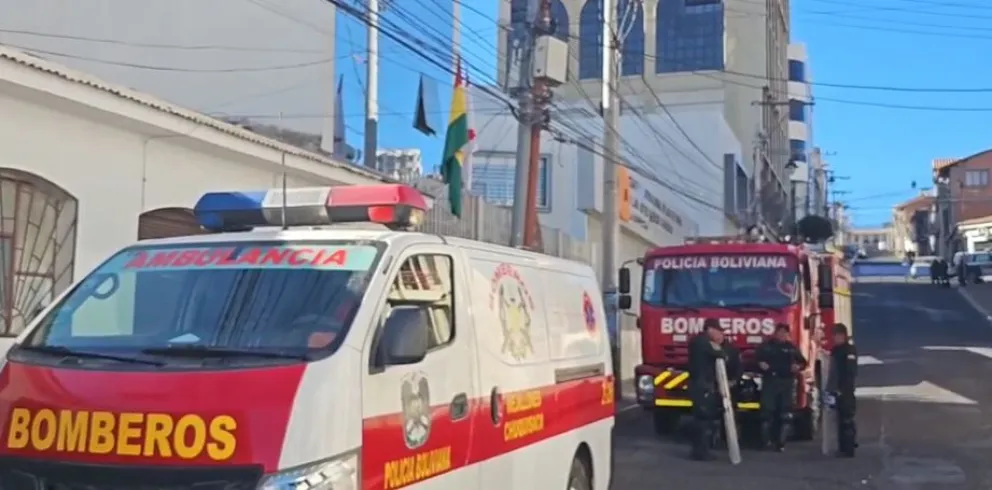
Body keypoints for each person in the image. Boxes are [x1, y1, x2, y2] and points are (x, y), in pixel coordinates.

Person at [755, 323, 808, 452]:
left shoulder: (791, 348)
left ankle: (781, 443)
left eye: (785, 332)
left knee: (786, 415)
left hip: (786, 382)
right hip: (770, 382)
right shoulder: (767, 347)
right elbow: (756, 360)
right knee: (767, 414)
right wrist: (760, 364)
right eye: (780, 332)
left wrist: (798, 367)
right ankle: (766, 442)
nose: (782, 335)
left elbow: (803, 362)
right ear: (775, 333)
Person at [687, 319, 727, 461]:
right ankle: (700, 452)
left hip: (700, 383)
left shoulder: (698, 341)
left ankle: (699, 450)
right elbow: (721, 354)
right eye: (718, 331)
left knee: (702, 418)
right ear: (710, 329)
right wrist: (719, 345)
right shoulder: (702, 342)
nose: (720, 334)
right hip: (701, 384)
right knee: (703, 418)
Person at [827, 323, 858, 457]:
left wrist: (842, 388)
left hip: (846, 390)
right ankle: (842, 448)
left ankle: (849, 448)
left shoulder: (849, 350)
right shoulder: (835, 350)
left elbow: (850, 372)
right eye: (834, 335)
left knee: (847, 420)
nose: (836, 338)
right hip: (837, 390)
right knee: (840, 420)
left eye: (838, 335)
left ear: (844, 336)